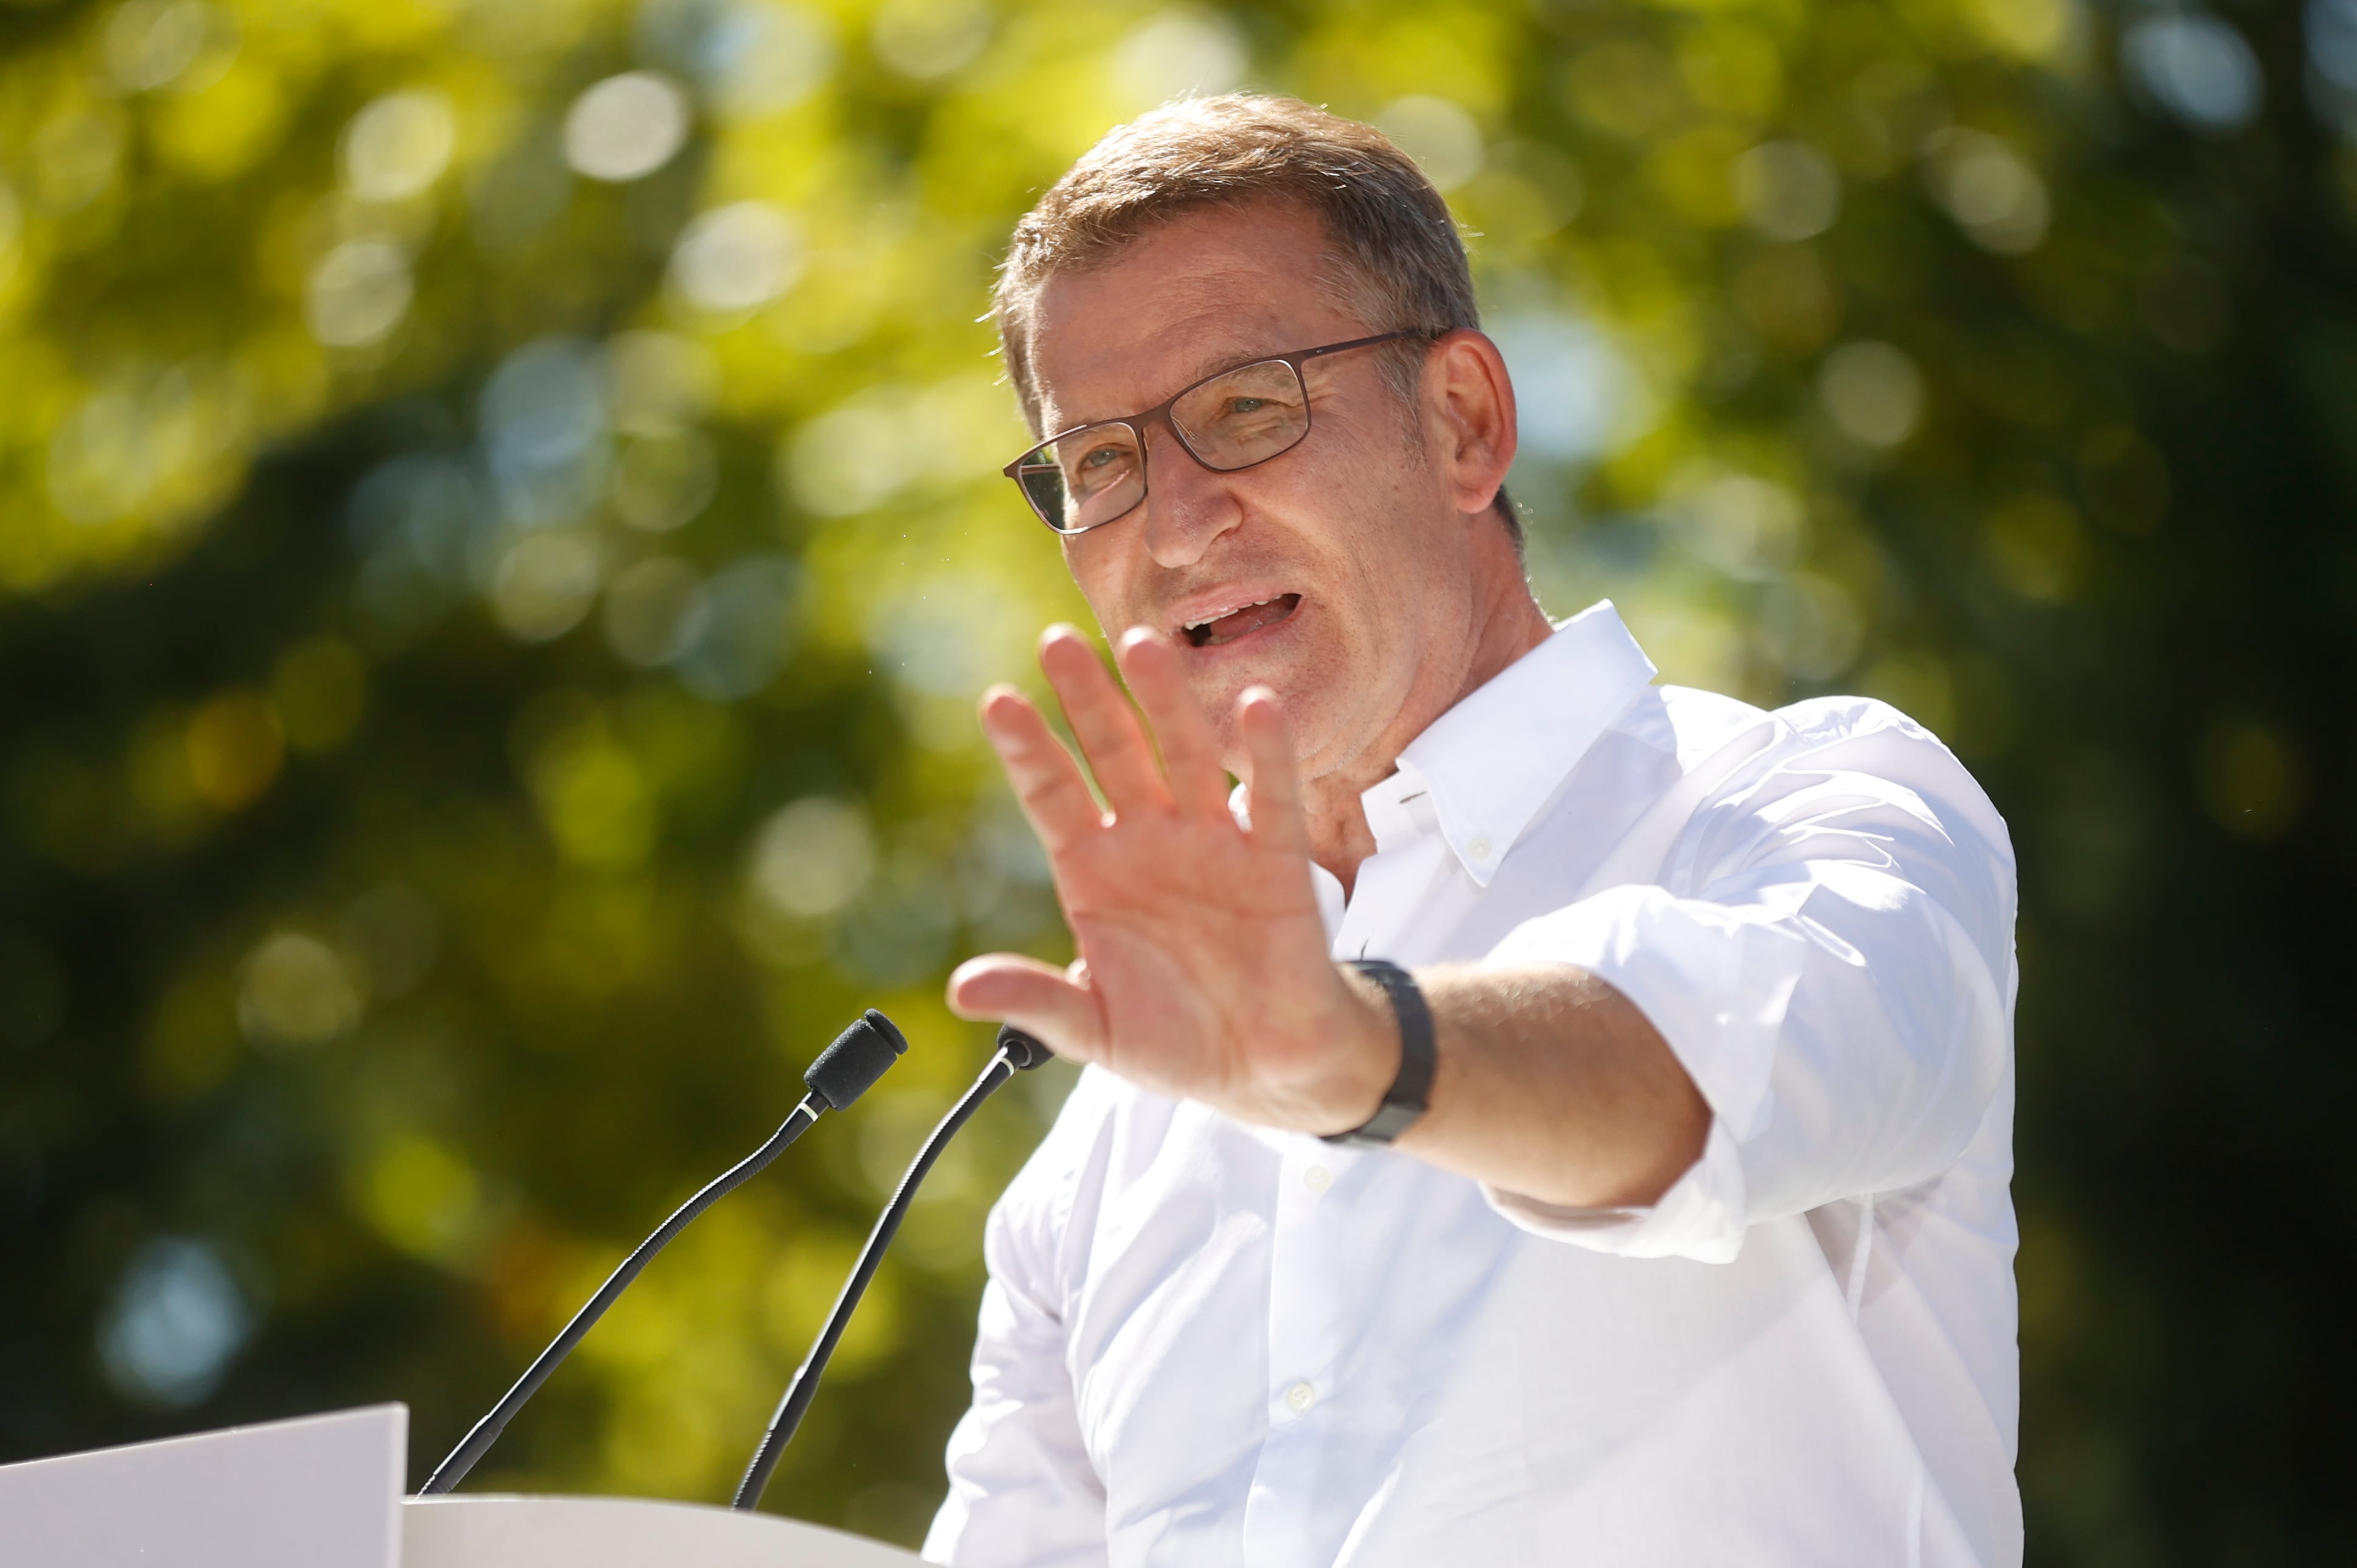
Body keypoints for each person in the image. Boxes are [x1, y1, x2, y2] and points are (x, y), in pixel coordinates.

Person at [923, 94, 2020, 1568]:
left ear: (1463, 425)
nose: (1173, 524)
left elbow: (1737, 1061)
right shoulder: (1099, 1155)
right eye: (1102, 463)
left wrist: (1356, 1052)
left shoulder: (1806, 801)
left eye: (1246, 407)